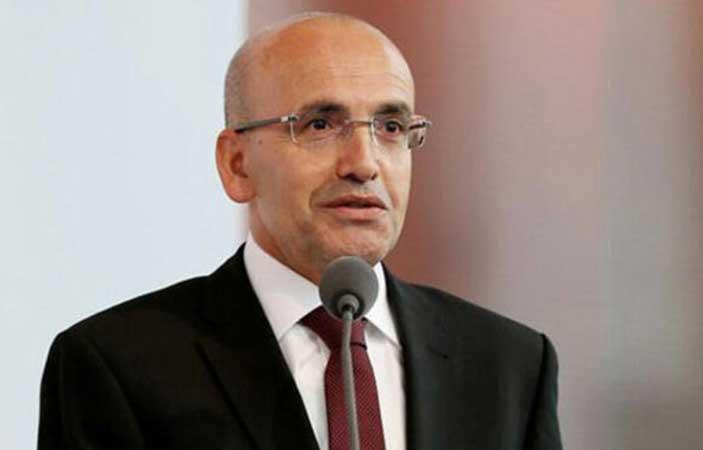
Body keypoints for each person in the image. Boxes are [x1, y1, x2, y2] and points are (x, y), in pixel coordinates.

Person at [38, 12, 562, 450]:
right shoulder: (116, 366)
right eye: (320, 124)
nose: (364, 163)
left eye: (390, 127)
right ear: (237, 164)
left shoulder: (510, 364)